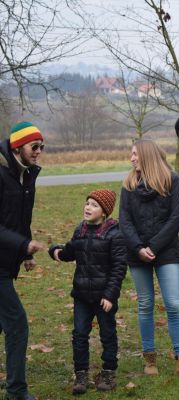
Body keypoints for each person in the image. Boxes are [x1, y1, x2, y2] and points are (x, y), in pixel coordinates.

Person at [119, 139, 179, 379]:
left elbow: (177, 216)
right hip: (137, 252)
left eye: (134, 154)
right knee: (145, 304)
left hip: (165, 251)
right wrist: (139, 247)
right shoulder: (129, 184)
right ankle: (149, 358)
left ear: (147, 155)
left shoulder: (171, 180)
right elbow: (125, 220)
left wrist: (154, 245)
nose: (131, 158)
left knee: (173, 304)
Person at [49, 189, 127, 394]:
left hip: (104, 297)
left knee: (108, 334)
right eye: (87, 203)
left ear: (104, 212)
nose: (88, 207)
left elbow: (119, 267)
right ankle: (81, 374)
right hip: (82, 295)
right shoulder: (80, 230)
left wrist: (110, 295)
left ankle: (109, 372)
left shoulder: (114, 234)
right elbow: (70, 251)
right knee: (80, 335)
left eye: (94, 205)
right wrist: (55, 251)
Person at [0, 122, 45, 400]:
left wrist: (25, 254)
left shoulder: (27, 177)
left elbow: (20, 219)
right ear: (18, 148)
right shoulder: (1, 176)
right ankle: (16, 390)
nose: (39, 151)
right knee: (16, 323)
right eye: (34, 146)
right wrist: (23, 244)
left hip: (7, 263)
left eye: (42, 146)